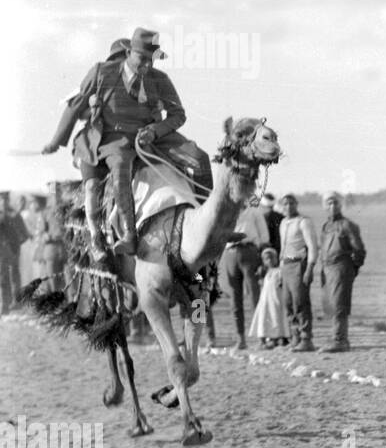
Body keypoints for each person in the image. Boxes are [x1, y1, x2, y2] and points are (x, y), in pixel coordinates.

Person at [41, 28, 197, 260]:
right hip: (111, 141)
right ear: (129, 52)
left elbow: (178, 114)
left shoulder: (160, 80)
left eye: (151, 60)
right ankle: (128, 236)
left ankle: (210, 226)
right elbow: (74, 107)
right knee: (120, 164)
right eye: (141, 58)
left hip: (149, 140)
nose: (146, 65)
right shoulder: (102, 72)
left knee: (198, 157)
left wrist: (155, 130)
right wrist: (55, 141)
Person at [318, 191, 366, 352]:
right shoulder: (325, 226)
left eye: (335, 203)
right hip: (327, 268)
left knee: (340, 305)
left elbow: (359, 250)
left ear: (340, 205)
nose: (332, 206)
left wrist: (352, 269)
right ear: (325, 206)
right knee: (331, 306)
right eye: (329, 203)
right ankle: (336, 337)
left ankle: (341, 341)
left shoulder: (347, 225)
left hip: (341, 267)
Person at [221, 201, 271, 349]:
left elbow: (264, 235)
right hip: (230, 253)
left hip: (249, 251)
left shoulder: (254, 212)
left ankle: (261, 337)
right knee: (235, 298)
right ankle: (240, 338)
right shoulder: (227, 212)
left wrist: (262, 255)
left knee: (254, 295)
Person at [279, 193, 319, 352]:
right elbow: (283, 248)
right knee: (288, 303)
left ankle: (306, 339)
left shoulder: (303, 222)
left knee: (300, 302)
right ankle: (294, 337)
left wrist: (309, 268)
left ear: (296, 204)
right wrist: (281, 270)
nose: (288, 207)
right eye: (285, 204)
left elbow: (312, 247)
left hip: (299, 264)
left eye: (291, 203)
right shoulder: (283, 223)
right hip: (286, 265)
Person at [249, 248, 290, 348]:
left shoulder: (280, 271)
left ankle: (278, 338)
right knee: (263, 318)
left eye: (272, 258)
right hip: (265, 301)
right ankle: (264, 339)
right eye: (267, 259)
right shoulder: (265, 273)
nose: (270, 260)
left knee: (276, 317)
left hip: (276, 300)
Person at [0, 192, 27, 314]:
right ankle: (5, 304)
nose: (3, 202)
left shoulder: (15, 215)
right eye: (1, 199)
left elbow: (24, 234)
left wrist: (15, 246)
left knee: (13, 276)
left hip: (12, 251)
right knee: (4, 277)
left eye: (5, 199)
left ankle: (14, 303)